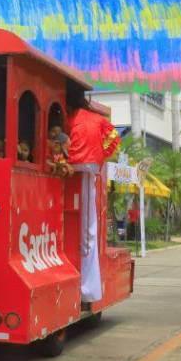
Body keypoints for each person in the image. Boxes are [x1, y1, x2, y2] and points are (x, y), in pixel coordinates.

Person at [66, 87, 121, 304]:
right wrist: (101, 154)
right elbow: (114, 139)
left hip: (78, 169)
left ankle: (88, 287)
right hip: (88, 169)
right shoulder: (97, 119)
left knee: (85, 230)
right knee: (88, 230)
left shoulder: (69, 118)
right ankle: (87, 286)